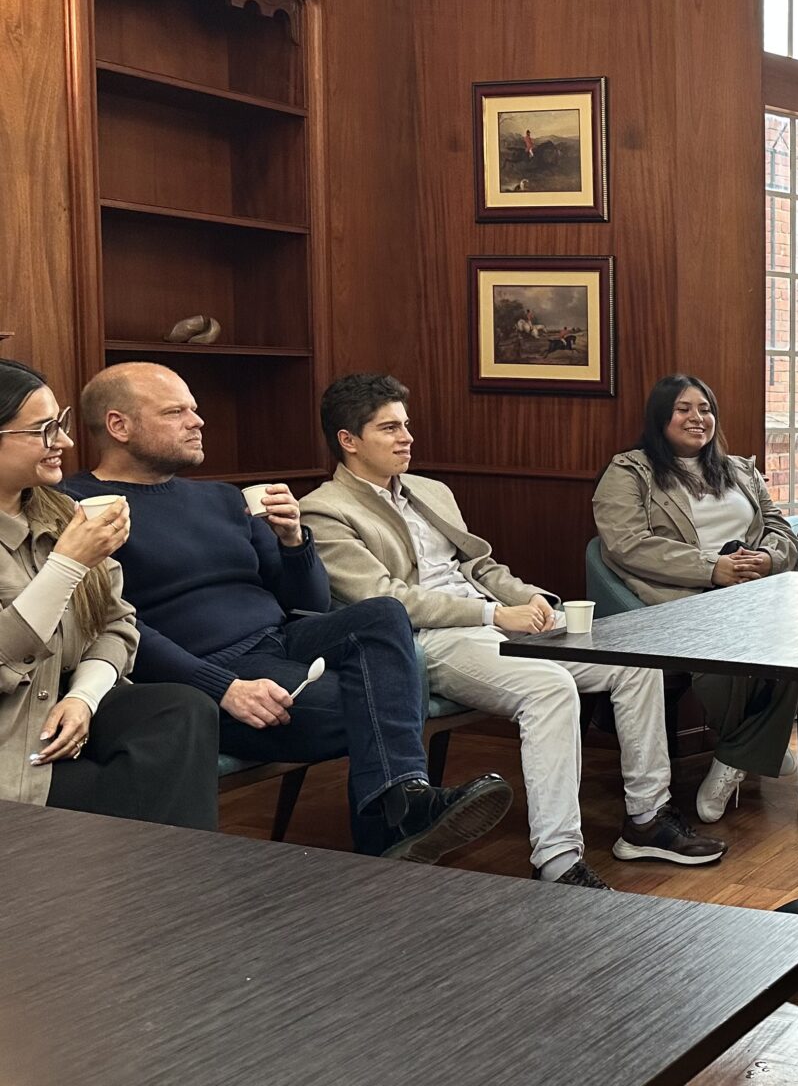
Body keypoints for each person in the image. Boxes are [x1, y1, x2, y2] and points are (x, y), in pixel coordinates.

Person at [63, 363, 511, 860]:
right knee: (373, 707)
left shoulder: (222, 498)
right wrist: (222, 689)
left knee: (383, 612)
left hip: (280, 638)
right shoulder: (79, 508)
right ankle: (397, 817)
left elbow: (310, 604)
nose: (198, 421)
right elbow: (113, 625)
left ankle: (398, 813)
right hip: (208, 670)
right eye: (176, 412)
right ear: (119, 426)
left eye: (194, 408)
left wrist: (295, 541)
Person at [301, 374, 722, 888]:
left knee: (632, 662)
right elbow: (387, 600)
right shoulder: (323, 510)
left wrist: (530, 598)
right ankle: (559, 860)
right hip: (427, 640)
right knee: (550, 689)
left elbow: (480, 567)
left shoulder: (431, 490)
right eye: (389, 428)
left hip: (493, 619)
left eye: (406, 425)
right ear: (348, 440)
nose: (407, 437)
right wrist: (494, 616)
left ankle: (647, 820)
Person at [0, 361, 216, 829]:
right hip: (10, 736)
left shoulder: (65, 511)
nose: (66, 443)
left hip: (68, 712)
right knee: (143, 798)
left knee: (184, 709)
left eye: (62, 423)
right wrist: (67, 565)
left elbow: (116, 623)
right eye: (44, 430)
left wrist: (84, 699)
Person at [592, 375, 798, 823]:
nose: (698, 418)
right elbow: (625, 543)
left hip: (754, 593)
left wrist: (767, 558)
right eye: (684, 409)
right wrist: (711, 568)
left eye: (705, 408)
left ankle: (732, 757)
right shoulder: (630, 471)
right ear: (661, 417)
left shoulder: (740, 470)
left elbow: (781, 529)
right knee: (725, 647)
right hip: (681, 599)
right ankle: (758, 745)